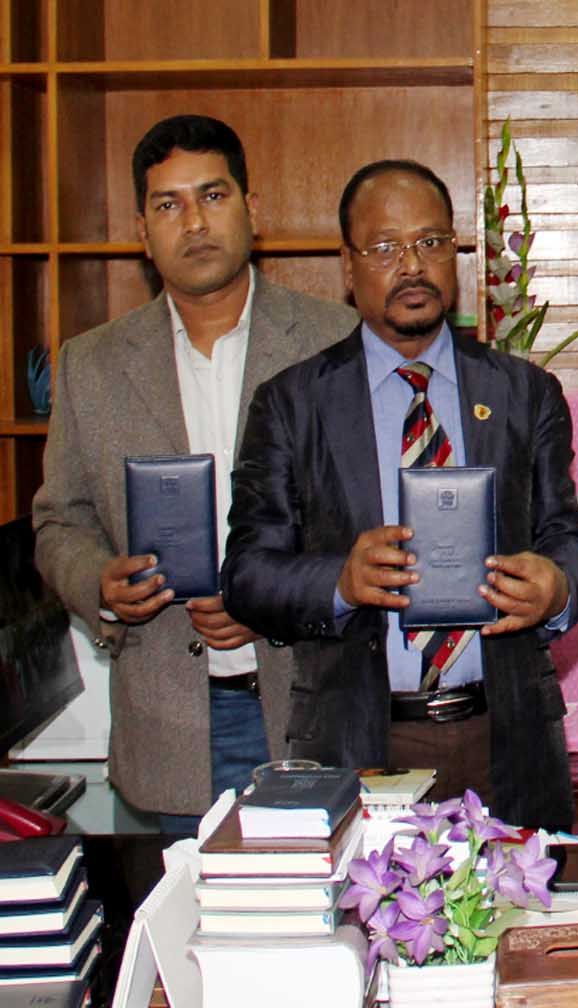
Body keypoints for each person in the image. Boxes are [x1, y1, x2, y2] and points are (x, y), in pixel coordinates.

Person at [221, 160, 578, 828]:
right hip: (359, 744)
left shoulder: (524, 393)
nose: (412, 265)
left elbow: (567, 539)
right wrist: (341, 580)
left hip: (505, 739)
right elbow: (247, 576)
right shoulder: (292, 404)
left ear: (456, 253)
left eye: (430, 242)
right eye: (385, 247)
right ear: (347, 265)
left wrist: (557, 586)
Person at [32, 115, 355, 831]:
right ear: (143, 232)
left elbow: (372, 520)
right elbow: (60, 520)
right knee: (177, 905)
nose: (195, 222)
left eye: (213, 195)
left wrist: (275, 599)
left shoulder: (335, 342)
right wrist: (101, 584)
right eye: (168, 204)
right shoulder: (91, 363)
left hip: (314, 709)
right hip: (168, 722)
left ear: (251, 210)